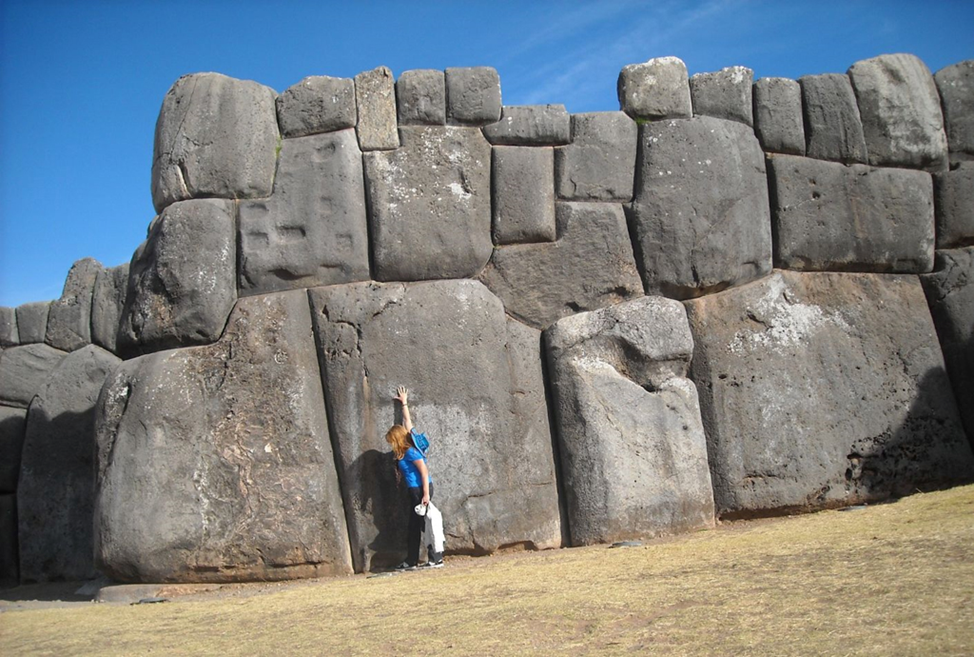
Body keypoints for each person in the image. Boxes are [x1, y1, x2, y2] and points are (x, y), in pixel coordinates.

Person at [385, 386, 444, 570]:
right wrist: (404, 403)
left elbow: (424, 471)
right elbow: (407, 421)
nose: (391, 445)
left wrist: (425, 495)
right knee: (415, 525)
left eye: (392, 441)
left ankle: (435, 558)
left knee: (426, 524)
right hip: (415, 490)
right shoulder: (410, 441)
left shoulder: (410, 451)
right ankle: (414, 560)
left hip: (420, 489)